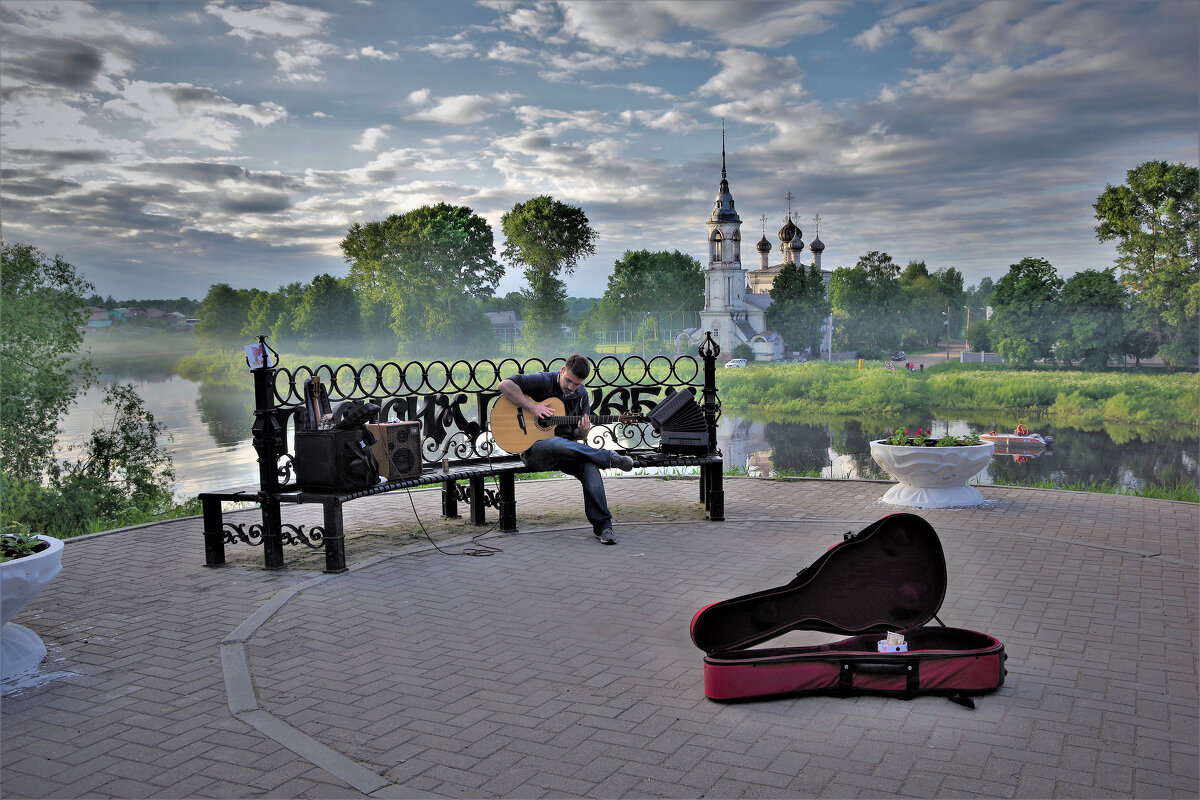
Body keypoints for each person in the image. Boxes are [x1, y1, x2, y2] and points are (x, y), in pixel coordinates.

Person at [497, 355, 633, 545]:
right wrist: (533, 407)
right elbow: (504, 385)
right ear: (562, 370)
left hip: (566, 452)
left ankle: (603, 526)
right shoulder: (544, 381)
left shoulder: (582, 395)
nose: (570, 387)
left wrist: (583, 431)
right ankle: (608, 457)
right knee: (555, 442)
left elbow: (575, 434)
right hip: (535, 451)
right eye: (568, 380)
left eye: (576, 384)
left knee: (589, 465)